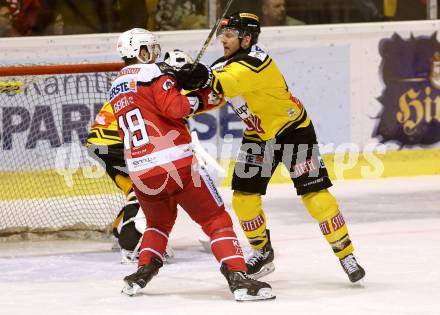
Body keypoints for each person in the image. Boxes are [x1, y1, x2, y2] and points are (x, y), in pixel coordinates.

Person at [175, 12, 366, 283]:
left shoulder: (257, 61)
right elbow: (213, 93)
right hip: (259, 137)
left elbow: (227, 81)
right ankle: (262, 251)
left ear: (247, 38)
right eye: (222, 36)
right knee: (243, 199)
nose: (224, 41)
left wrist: (199, 75)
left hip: (294, 132)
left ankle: (345, 254)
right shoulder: (224, 65)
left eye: (229, 35)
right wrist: (182, 89)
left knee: (316, 197)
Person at [108, 28, 275, 301]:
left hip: (140, 171)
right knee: (216, 220)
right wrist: (201, 94)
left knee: (157, 224)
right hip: (176, 163)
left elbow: (152, 108)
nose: (154, 54)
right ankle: (238, 277)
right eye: (150, 48)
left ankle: (141, 273)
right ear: (140, 52)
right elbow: (175, 108)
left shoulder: (116, 86)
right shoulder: (153, 73)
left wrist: (175, 80)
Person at [86, 50, 193, 263]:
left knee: (134, 188)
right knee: (148, 187)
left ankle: (121, 230)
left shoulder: (145, 80)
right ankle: (133, 242)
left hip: (101, 141)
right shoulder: (161, 87)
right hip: (115, 142)